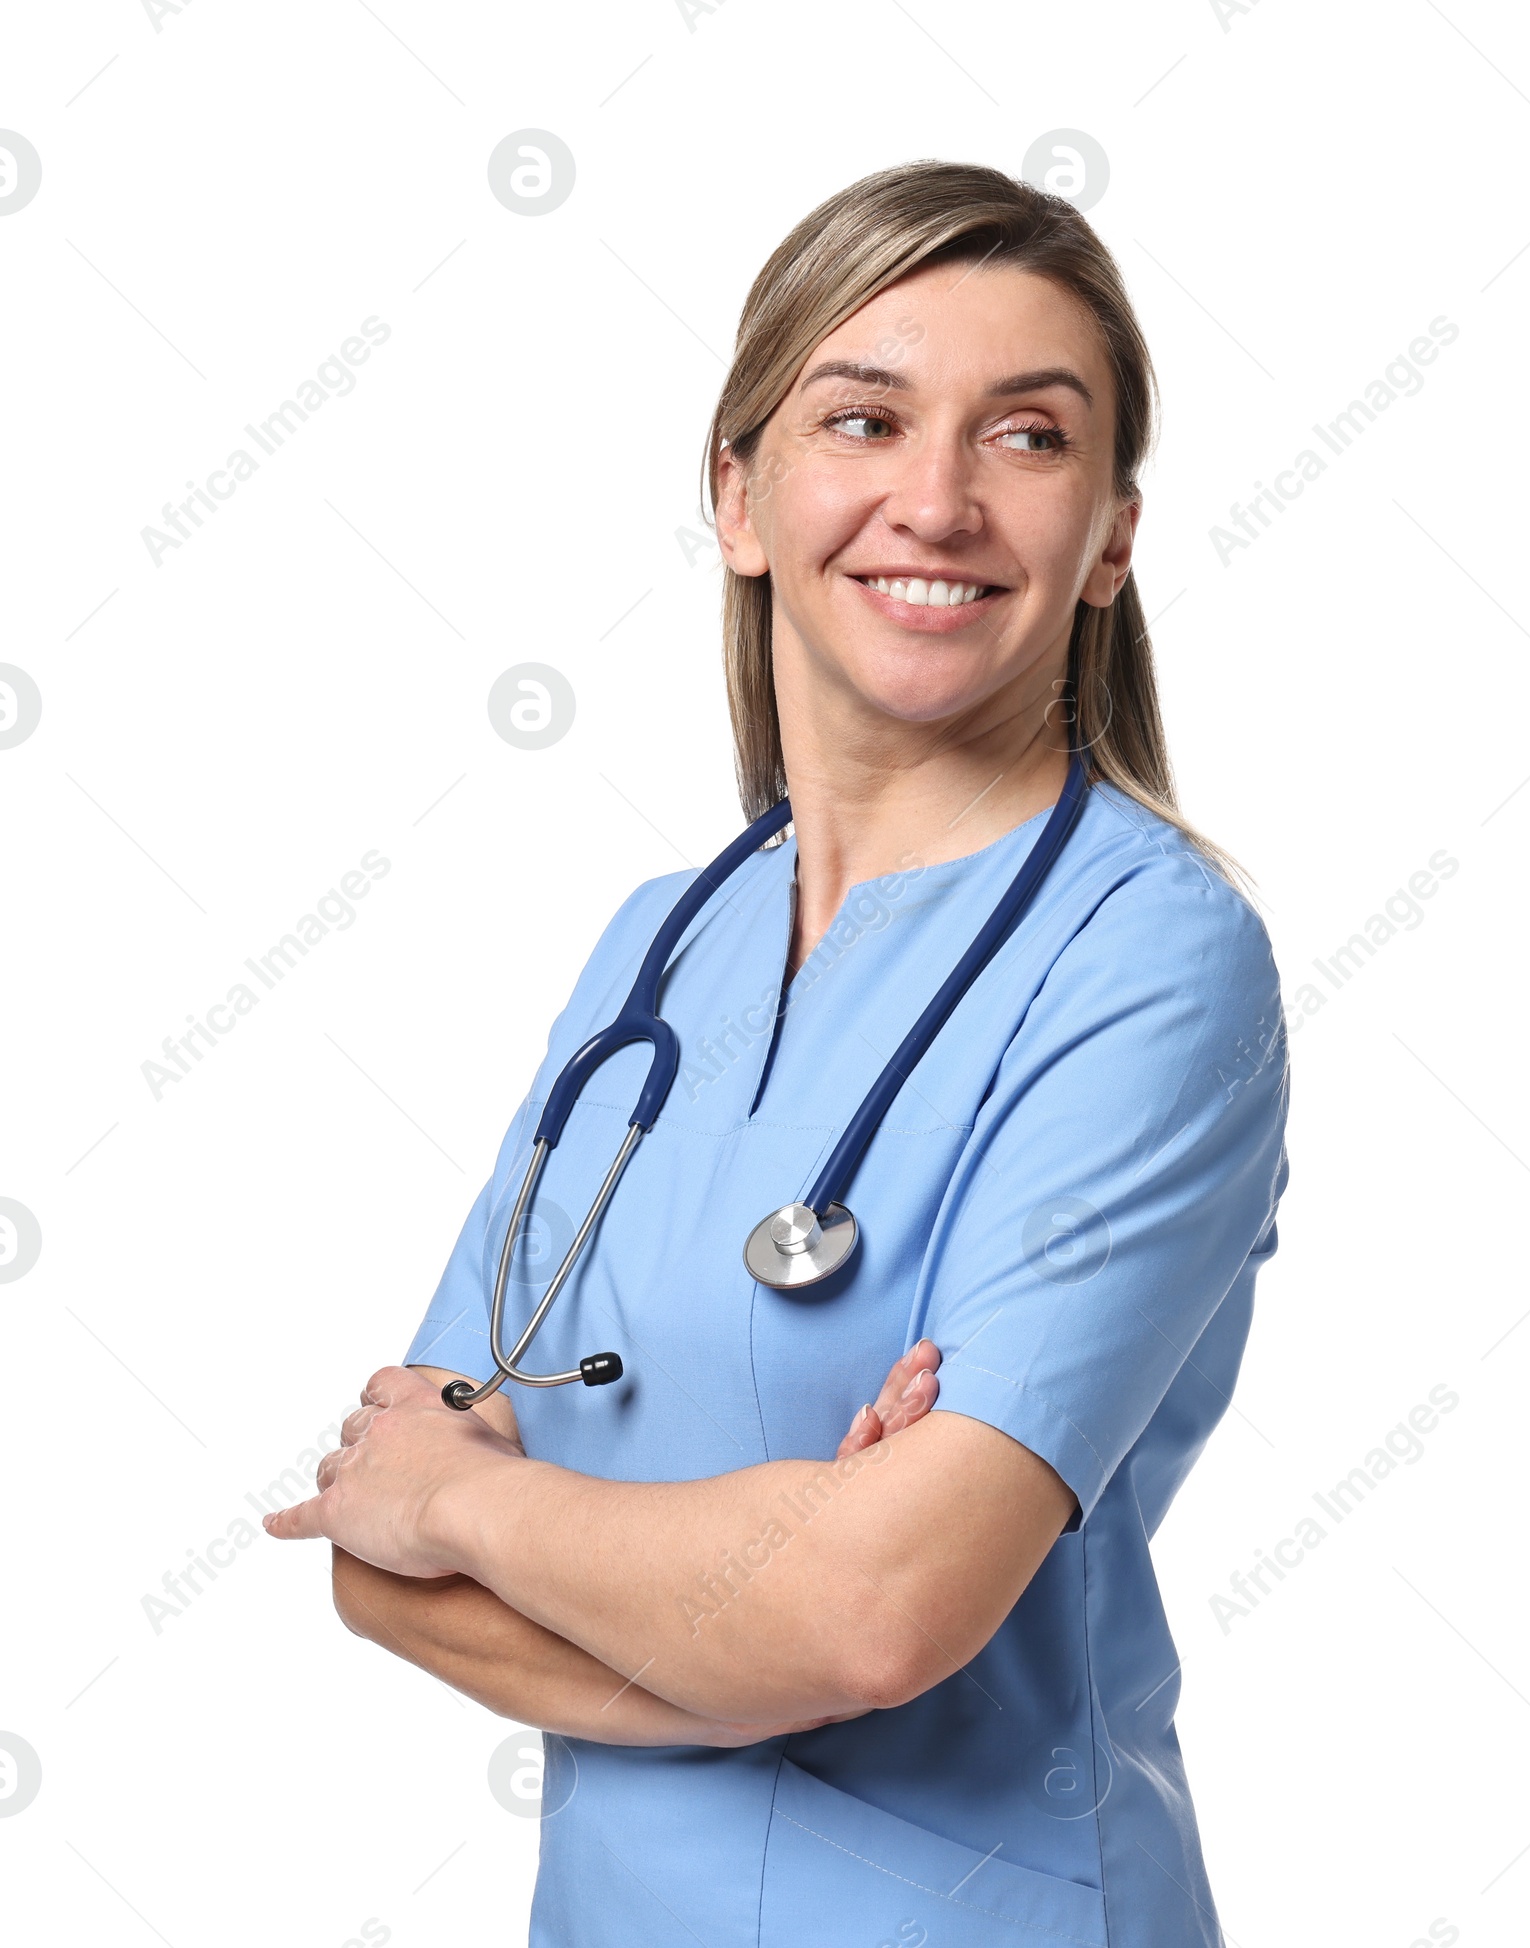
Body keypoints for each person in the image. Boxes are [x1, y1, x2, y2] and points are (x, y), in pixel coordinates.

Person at [265, 159, 1291, 1948]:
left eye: (1029, 438)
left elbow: (876, 1616)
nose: (938, 499)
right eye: (864, 417)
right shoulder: (666, 946)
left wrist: (489, 1505)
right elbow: (376, 1548)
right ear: (739, 496)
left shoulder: (1153, 962)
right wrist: (759, 1602)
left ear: (1112, 537)